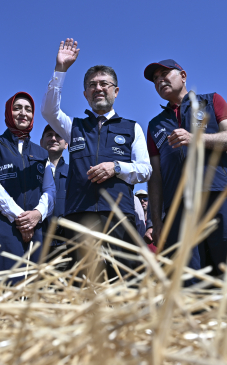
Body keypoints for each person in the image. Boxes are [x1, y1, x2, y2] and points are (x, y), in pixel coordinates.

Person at [42, 38, 152, 270]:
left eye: (104, 83)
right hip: (79, 216)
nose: (98, 88)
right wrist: (60, 69)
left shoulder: (132, 127)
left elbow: (145, 169)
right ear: (85, 94)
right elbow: (49, 110)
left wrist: (117, 167)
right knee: (82, 281)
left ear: (116, 91)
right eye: (92, 85)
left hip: (119, 216)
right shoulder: (75, 127)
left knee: (124, 279)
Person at [144, 59, 227, 275]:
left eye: (165, 74)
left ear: (183, 76)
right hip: (177, 206)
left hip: (218, 197)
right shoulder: (155, 124)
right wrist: (156, 221)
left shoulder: (212, 100)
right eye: (155, 79)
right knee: (188, 277)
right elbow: (155, 176)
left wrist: (194, 137)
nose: (160, 81)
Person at [0, 92, 55, 275]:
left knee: (30, 290)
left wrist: (37, 214)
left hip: (35, 230)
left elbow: (49, 189)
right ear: (8, 112)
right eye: (17, 108)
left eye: (28, 109)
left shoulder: (42, 154)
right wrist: (20, 217)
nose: (23, 113)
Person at [40, 124, 69, 250]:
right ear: (41, 142)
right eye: (49, 135)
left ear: (66, 143)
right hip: (38, 245)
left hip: (66, 246)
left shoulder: (74, 173)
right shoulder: (30, 172)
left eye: (58, 135)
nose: (53, 138)